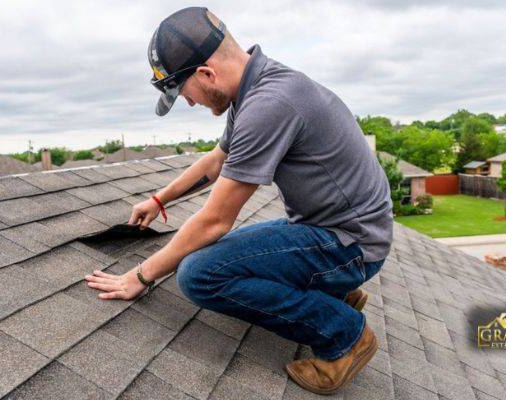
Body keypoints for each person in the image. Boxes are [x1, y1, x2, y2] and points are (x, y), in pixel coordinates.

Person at [84, 6, 393, 395]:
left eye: (184, 93)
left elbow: (214, 222)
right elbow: (216, 162)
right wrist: (159, 199)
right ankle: (335, 291)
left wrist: (139, 276)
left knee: (198, 273)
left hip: (351, 245)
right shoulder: (254, 87)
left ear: (206, 74)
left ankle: (343, 334)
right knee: (217, 253)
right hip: (336, 229)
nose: (190, 103)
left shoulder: (269, 104)